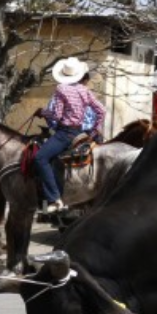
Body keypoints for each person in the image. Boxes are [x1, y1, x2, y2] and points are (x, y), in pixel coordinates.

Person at [33, 57, 106, 213]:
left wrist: (42, 112)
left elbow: (57, 116)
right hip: (80, 132)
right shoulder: (84, 90)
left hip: (64, 133)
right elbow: (102, 110)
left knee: (40, 158)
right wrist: (95, 129)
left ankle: (54, 199)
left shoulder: (61, 89)